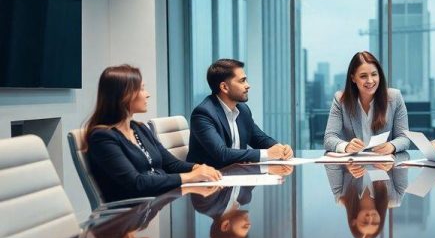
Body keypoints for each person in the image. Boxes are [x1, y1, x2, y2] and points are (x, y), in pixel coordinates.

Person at [86, 65, 221, 202]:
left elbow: (171, 164)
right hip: (131, 215)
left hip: (158, 201)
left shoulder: (139, 128)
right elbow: (136, 183)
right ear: (124, 95)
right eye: (142, 89)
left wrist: (198, 168)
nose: (147, 94)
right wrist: (190, 177)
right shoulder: (102, 138)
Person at [187, 58, 293, 168]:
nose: (248, 85)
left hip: (236, 175)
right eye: (242, 81)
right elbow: (222, 154)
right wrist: (268, 154)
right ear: (224, 87)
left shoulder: (243, 110)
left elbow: (259, 138)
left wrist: (280, 148)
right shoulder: (203, 114)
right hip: (209, 180)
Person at [324, 51, 409, 154]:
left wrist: (392, 146)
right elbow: (329, 138)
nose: (370, 80)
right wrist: (346, 146)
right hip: (353, 166)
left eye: (374, 74)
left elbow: (404, 138)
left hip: (383, 165)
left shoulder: (395, 97)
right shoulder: (341, 99)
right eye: (363, 76)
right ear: (353, 78)